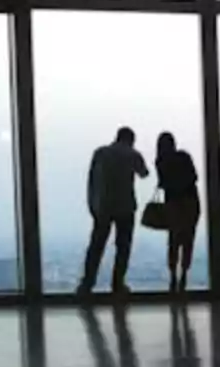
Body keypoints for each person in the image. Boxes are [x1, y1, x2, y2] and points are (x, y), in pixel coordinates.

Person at [77, 127, 149, 296]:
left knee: (96, 245)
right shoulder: (132, 154)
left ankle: (87, 283)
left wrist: (92, 204)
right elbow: (144, 173)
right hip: (126, 206)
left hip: (104, 206)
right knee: (123, 247)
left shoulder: (100, 153)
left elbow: (92, 180)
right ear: (131, 140)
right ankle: (118, 284)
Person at [154, 132, 200, 294]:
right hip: (190, 201)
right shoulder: (184, 156)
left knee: (173, 241)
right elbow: (194, 177)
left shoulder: (160, 161)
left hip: (172, 204)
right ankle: (184, 276)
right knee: (188, 240)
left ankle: (173, 276)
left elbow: (162, 184)